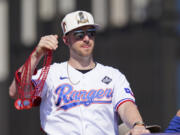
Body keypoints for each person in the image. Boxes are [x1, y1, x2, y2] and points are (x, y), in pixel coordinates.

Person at [9, 10, 150, 135]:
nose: (86, 38)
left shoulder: (113, 75)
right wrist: (36, 55)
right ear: (66, 40)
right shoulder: (52, 73)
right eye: (79, 34)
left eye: (91, 33)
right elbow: (16, 92)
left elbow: (126, 106)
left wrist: (137, 125)